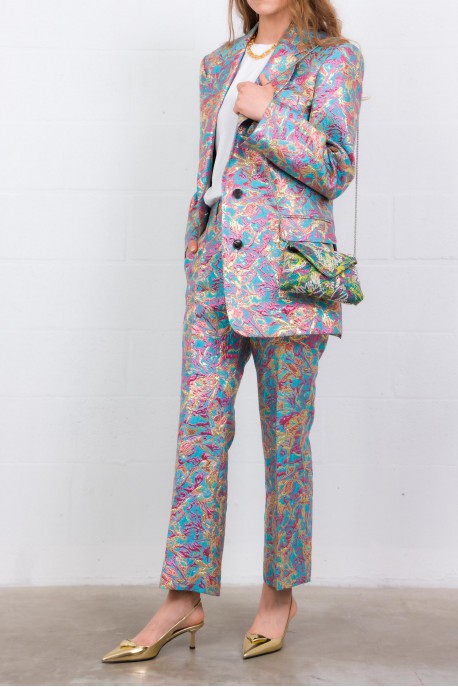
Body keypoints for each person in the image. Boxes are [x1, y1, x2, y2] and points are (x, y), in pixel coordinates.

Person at [102, 0, 364, 664]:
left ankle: (280, 593)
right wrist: (197, 247)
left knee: (285, 439)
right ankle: (182, 595)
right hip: (216, 268)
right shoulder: (216, 64)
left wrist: (270, 113)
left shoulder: (332, 58)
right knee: (199, 431)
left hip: (287, 275)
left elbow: (336, 168)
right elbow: (215, 171)